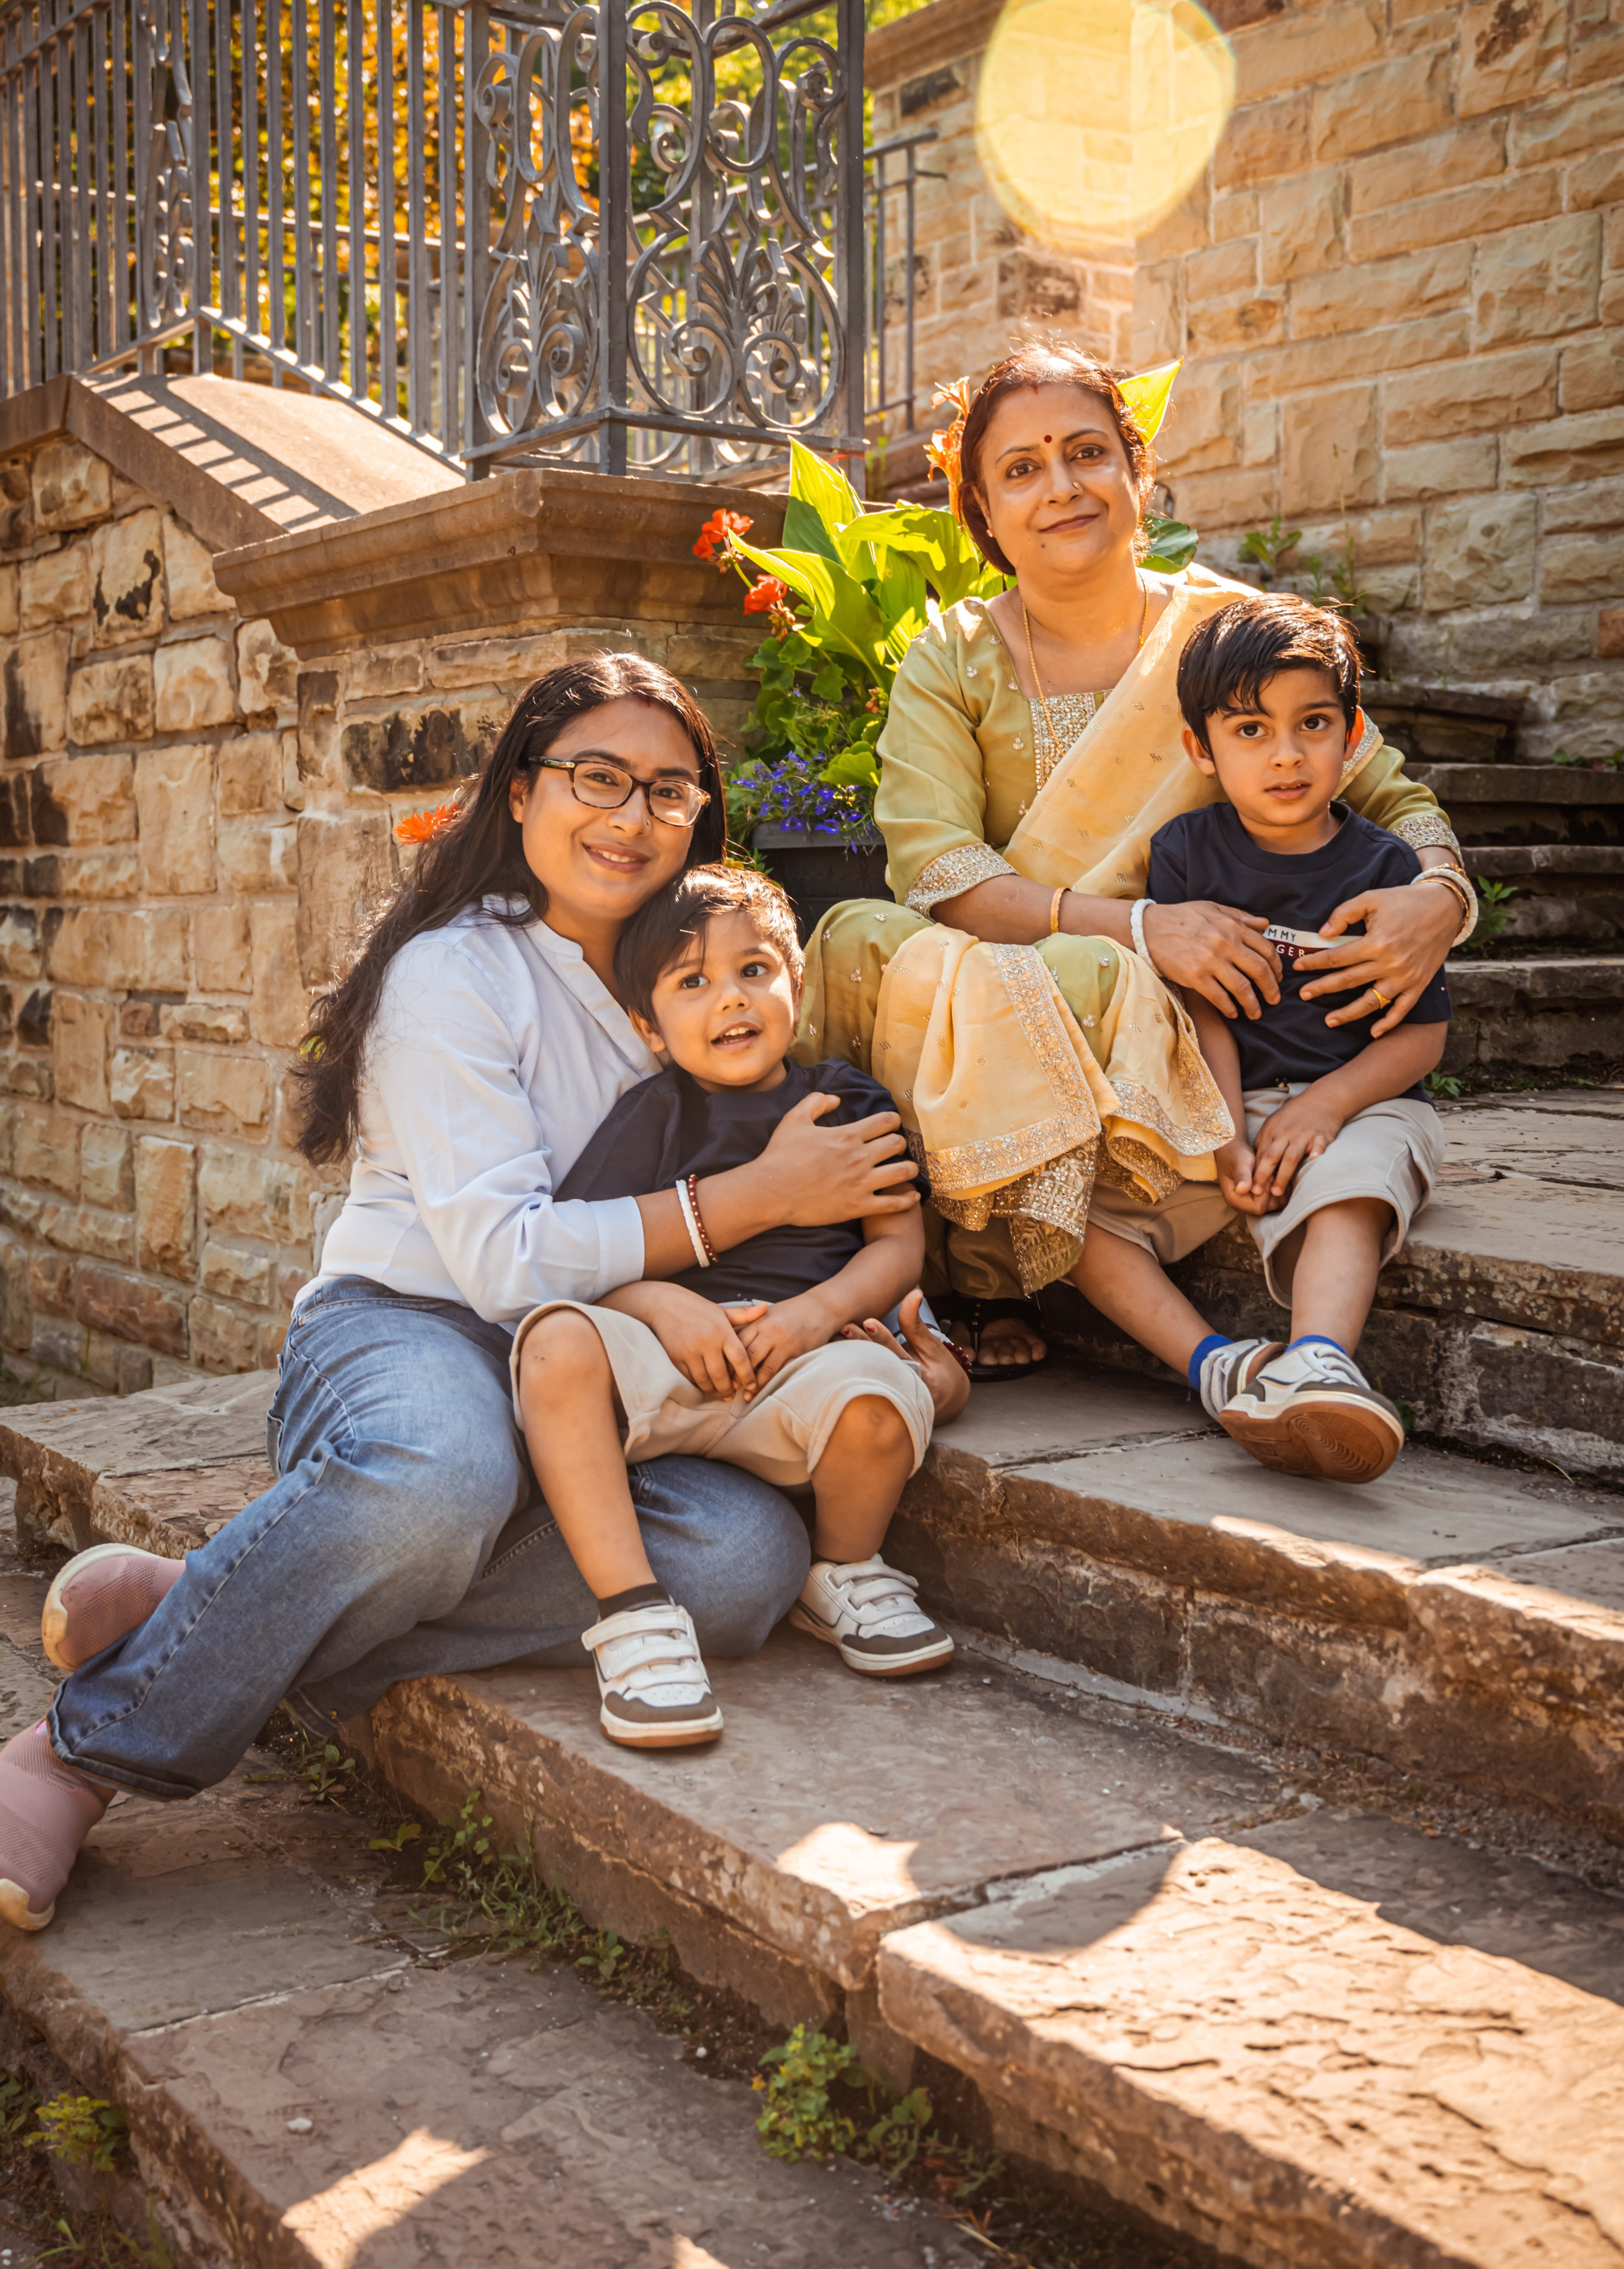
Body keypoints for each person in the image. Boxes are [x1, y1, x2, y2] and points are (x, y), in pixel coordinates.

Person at [0, 655, 935, 1934]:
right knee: (440, 1484)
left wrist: (868, 1303)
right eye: (596, 778)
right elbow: (499, 1259)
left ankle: (220, 1597)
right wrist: (757, 1202)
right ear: (519, 790)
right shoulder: (458, 972)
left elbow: (843, 1213)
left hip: (607, 1365)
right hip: (413, 1323)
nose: (631, 815)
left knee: (741, 1564)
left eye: (668, 790)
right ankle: (79, 1750)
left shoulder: (706, 980)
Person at [799, 342, 1476, 1398]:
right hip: (1058, 972)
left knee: (1076, 982)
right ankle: (979, 1272)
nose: (1061, 487)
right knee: (866, 942)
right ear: (981, 506)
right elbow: (940, 870)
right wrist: (1144, 930)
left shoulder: (1226, 633)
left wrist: (1441, 895)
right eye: (1021, 469)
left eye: (1086, 453)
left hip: (1191, 1015)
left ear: (1135, 471)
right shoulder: (954, 654)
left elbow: (1390, 793)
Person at [514, 863, 963, 1750]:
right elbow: (586, 1254)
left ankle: (843, 1571)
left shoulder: (846, 1101)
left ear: (796, 982)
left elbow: (898, 1248)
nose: (732, 1000)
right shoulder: (652, 1116)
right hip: (671, 1363)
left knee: (873, 1408)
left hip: (807, 1360)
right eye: (694, 983)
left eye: (755, 971)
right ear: (648, 1025)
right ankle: (633, 1612)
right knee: (557, 1343)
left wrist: (812, 1318)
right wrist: (665, 1310)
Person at [1148, 597, 1450, 1482]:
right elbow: (1205, 1010)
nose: (1286, 754)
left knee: (1352, 1185)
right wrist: (1224, 1130)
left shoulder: (1386, 870)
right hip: (1228, 1092)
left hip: (1370, 1098)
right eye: (1251, 728)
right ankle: (1217, 1366)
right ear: (1201, 748)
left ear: (1351, 736)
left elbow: (1422, 1040)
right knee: (1085, 1216)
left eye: (1312, 723)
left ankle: (1320, 1360)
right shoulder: (1185, 853)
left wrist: (1325, 1106)